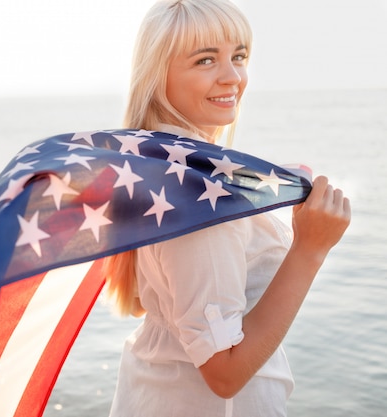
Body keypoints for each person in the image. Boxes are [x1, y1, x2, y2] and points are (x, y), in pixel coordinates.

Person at [104, 1, 351, 416]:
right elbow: (224, 373)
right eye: (205, 60)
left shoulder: (156, 163)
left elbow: (165, 301)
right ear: (157, 73)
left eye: (239, 56)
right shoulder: (200, 194)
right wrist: (311, 249)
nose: (233, 76)